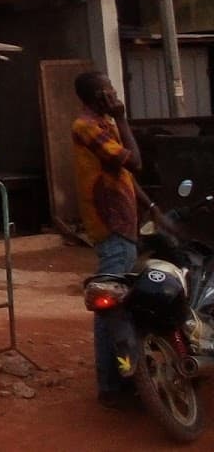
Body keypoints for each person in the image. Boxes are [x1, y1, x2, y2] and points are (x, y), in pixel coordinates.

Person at [71, 70, 161, 409]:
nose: (114, 94)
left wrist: (150, 206)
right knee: (111, 306)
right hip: (110, 224)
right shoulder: (87, 127)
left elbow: (122, 172)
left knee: (115, 303)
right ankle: (112, 385)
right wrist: (123, 119)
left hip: (123, 223)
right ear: (97, 96)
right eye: (108, 89)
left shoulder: (103, 125)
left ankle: (121, 379)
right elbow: (133, 161)